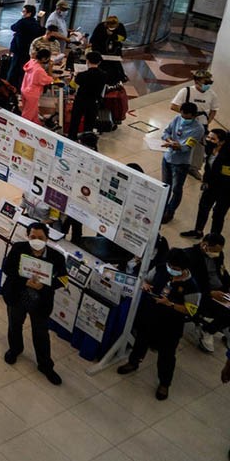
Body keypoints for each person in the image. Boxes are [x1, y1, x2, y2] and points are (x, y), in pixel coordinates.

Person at [118, 248, 201, 400]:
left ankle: (164, 383)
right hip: (150, 315)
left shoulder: (191, 286)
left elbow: (191, 310)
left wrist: (170, 304)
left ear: (184, 268)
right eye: (171, 266)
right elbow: (146, 279)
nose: (172, 270)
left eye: (176, 269)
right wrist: (145, 285)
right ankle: (133, 362)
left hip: (170, 326)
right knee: (141, 341)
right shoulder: (161, 268)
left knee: (167, 355)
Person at [2, 222, 67, 385]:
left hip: (41, 302)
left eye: (41, 238)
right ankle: (15, 349)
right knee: (14, 324)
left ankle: (45, 365)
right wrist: (25, 282)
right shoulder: (18, 248)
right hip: (18, 296)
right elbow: (7, 268)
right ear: (27, 236)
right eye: (33, 237)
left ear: (47, 239)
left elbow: (63, 279)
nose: (36, 240)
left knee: (41, 333)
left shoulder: (57, 257)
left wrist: (46, 284)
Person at [184, 233, 230, 353]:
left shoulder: (218, 255)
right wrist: (210, 293)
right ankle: (208, 330)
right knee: (227, 312)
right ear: (204, 245)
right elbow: (191, 284)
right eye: (214, 250)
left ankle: (224, 328)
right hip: (203, 295)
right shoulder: (190, 256)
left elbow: (223, 272)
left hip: (221, 291)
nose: (216, 254)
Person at [161, 101, 206, 223]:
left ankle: (170, 212)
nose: (184, 119)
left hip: (181, 163)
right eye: (182, 116)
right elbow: (165, 132)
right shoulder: (177, 118)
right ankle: (162, 208)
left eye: (187, 117)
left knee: (176, 189)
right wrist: (169, 140)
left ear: (194, 115)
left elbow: (187, 147)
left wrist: (177, 146)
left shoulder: (198, 129)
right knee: (165, 186)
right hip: (167, 158)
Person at [183, 129, 230, 239]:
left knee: (218, 214)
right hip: (211, 185)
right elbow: (209, 168)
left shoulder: (228, 155)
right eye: (208, 137)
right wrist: (205, 181)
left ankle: (213, 239)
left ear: (221, 142)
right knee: (203, 208)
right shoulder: (210, 148)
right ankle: (198, 231)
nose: (209, 140)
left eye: (213, 139)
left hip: (226, 190)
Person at [171, 69, 218, 174]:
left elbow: (214, 110)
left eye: (210, 82)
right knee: (182, 144)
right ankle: (177, 164)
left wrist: (208, 121)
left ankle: (194, 169)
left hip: (202, 125)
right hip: (186, 125)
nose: (208, 85)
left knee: (199, 149)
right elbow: (174, 106)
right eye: (206, 82)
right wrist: (189, 114)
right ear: (197, 81)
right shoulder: (186, 91)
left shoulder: (212, 95)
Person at [68, 51, 107, 140]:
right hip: (94, 101)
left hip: (81, 100)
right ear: (99, 62)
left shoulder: (82, 75)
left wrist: (75, 75)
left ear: (87, 61)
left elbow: (73, 85)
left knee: (75, 121)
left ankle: (72, 138)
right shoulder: (104, 75)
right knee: (89, 122)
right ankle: (86, 139)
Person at [7, 4, 44, 87]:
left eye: (24, 11)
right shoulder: (35, 24)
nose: (22, 13)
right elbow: (40, 32)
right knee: (24, 69)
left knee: (13, 68)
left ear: (29, 13)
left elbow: (13, 27)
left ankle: (9, 85)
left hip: (19, 50)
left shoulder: (22, 22)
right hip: (29, 50)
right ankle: (22, 86)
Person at [20, 48, 55, 126]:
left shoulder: (31, 62)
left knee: (32, 110)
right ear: (44, 59)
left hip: (24, 89)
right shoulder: (39, 70)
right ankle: (22, 128)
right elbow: (48, 80)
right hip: (32, 94)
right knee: (28, 113)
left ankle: (36, 123)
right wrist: (50, 69)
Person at [89, 14, 128, 85]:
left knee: (115, 66)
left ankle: (117, 80)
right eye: (110, 26)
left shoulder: (120, 27)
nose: (111, 28)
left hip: (114, 51)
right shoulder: (101, 26)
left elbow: (123, 37)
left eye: (113, 27)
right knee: (102, 66)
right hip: (101, 50)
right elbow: (94, 38)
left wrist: (114, 36)